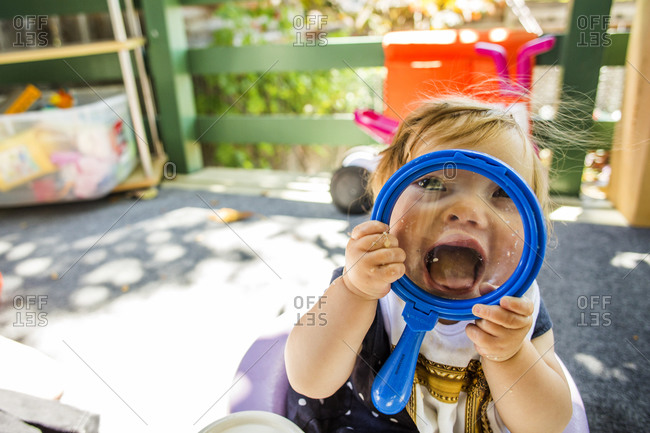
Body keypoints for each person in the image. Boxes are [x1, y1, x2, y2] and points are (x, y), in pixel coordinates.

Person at [284, 97, 573, 433]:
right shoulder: (366, 281)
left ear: (531, 225)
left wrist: (511, 356)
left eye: (501, 193)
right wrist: (354, 291)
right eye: (432, 183)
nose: (467, 211)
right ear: (386, 199)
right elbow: (309, 380)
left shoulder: (517, 308)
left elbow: (548, 424)